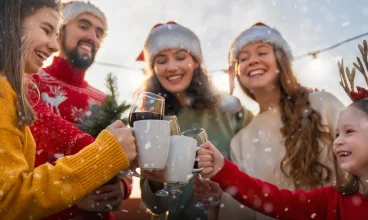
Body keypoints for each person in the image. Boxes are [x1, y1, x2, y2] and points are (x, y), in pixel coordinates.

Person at [0, 1, 136, 219]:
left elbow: (127, 153)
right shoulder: (28, 81)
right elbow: (42, 122)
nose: (93, 37)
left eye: (99, 32)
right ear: (60, 32)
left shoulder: (104, 99)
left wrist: (122, 187)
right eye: (84, 26)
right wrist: (106, 155)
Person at [202, 22, 345, 220]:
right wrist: (216, 202)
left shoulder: (323, 104)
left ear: (280, 60)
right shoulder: (241, 140)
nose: (252, 61)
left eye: (262, 52)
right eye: (243, 58)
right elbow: (238, 211)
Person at [137, 22, 253, 220]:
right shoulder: (152, 120)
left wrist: (226, 193)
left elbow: (260, 170)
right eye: (162, 60)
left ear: (196, 62)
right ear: (154, 69)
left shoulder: (229, 110)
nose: (172, 67)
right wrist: (155, 182)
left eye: (181, 57)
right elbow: (155, 205)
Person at [194, 95, 368, 219]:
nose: (337, 142)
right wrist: (223, 169)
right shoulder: (331, 200)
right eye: (337, 134)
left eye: (349, 132)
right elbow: (272, 200)